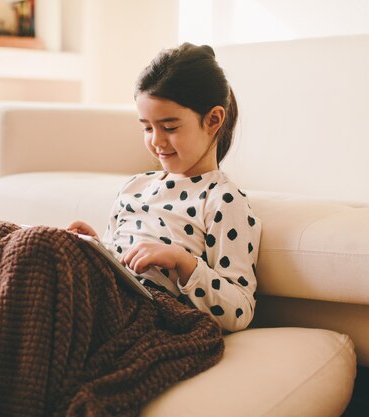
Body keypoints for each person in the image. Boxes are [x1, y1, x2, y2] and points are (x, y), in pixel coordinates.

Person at [68, 43, 261, 332]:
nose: (156, 141)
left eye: (169, 127)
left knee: (37, 252)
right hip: (105, 296)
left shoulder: (221, 200)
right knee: (3, 238)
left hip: (145, 311)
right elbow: (118, 264)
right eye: (147, 128)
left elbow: (240, 310)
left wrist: (183, 261)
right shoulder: (135, 186)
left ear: (213, 120)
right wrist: (96, 248)